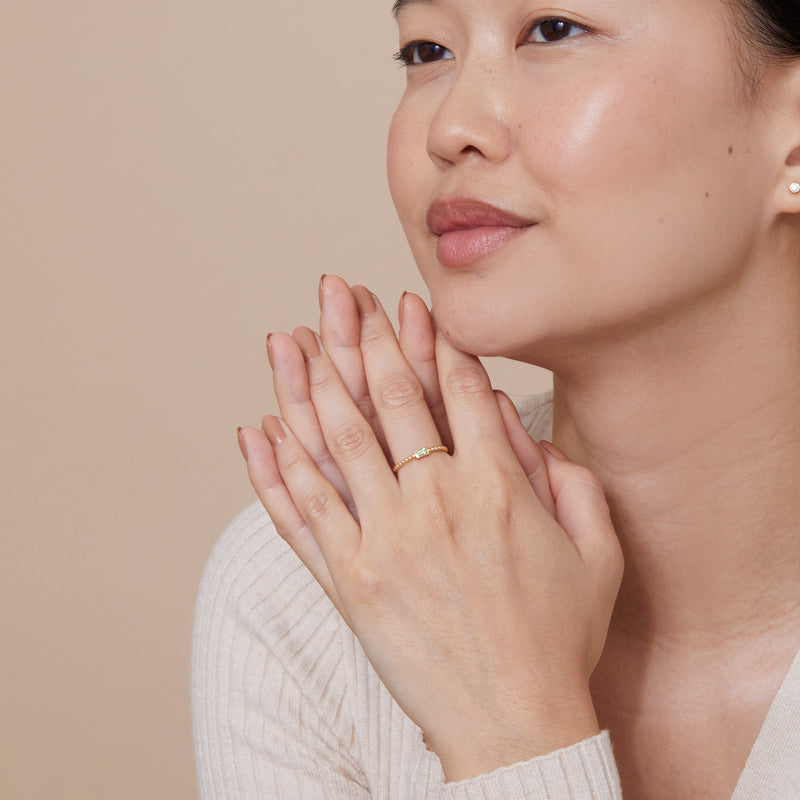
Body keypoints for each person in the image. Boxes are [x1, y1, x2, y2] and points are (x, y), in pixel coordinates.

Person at [191, 0, 800, 797]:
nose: (451, 127)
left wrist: (514, 730)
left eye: (552, 30)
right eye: (426, 49)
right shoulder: (323, 579)